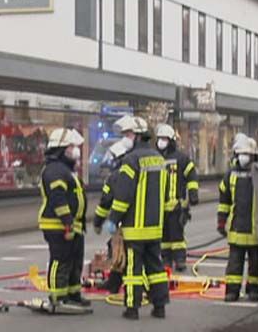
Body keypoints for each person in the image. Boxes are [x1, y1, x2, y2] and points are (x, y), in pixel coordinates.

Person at [99, 117, 169, 320]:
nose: (125, 139)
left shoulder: (131, 161)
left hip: (135, 227)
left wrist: (113, 219)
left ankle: (132, 308)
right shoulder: (158, 158)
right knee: (156, 268)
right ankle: (160, 306)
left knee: (133, 271)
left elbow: (123, 195)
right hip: (155, 227)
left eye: (128, 134)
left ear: (138, 136)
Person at [39, 128, 90, 309]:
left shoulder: (66, 170)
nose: (75, 149)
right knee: (60, 260)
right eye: (71, 146)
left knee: (75, 260)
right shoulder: (54, 170)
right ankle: (57, 297)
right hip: (58, 225)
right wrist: (67, 221)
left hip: (72, 226)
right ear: (61, 149)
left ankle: (73, 294)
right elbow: (58, 199)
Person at [218, 136, 258, 302]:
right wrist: (221, 221)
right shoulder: (230, 175)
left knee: (256, 264)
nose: (243, 157)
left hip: (255, 230)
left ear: (253, 156)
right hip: (236, 228)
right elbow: (224, 200)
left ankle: (253, 290)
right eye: (241, 153)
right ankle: (232, 291)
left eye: (247, 154)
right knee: (234, 264)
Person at [154, 124, 198, 272]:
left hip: (176, 205)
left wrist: (193, 194)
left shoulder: (181, 158)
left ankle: (180, 259)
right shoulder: (153, 158)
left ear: (171, 140)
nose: (161, 142)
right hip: (159, 206)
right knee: (164, 236)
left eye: (165, 139)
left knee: (177, 235)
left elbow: (191, 175)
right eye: (160, 139)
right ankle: (166, 258)